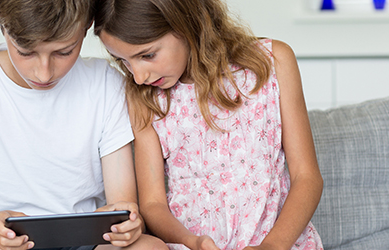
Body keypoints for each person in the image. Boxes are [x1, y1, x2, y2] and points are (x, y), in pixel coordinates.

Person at [0, 0, 168, 250]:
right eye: (26, 52)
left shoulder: (105, 83)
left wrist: (128, 226)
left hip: (86, 243)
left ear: (88, 24)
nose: (44, 74)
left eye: (64, 52)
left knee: (149, 247)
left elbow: (123, 206)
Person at [93, 0, 324, 249]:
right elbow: (153, 205)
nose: (139, 76)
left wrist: (274, 246)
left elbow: (307, 177)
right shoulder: (145, 97)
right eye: (123, 61)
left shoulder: (272, 61)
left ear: (185, 23)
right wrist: (192, 241)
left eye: (147, 55)